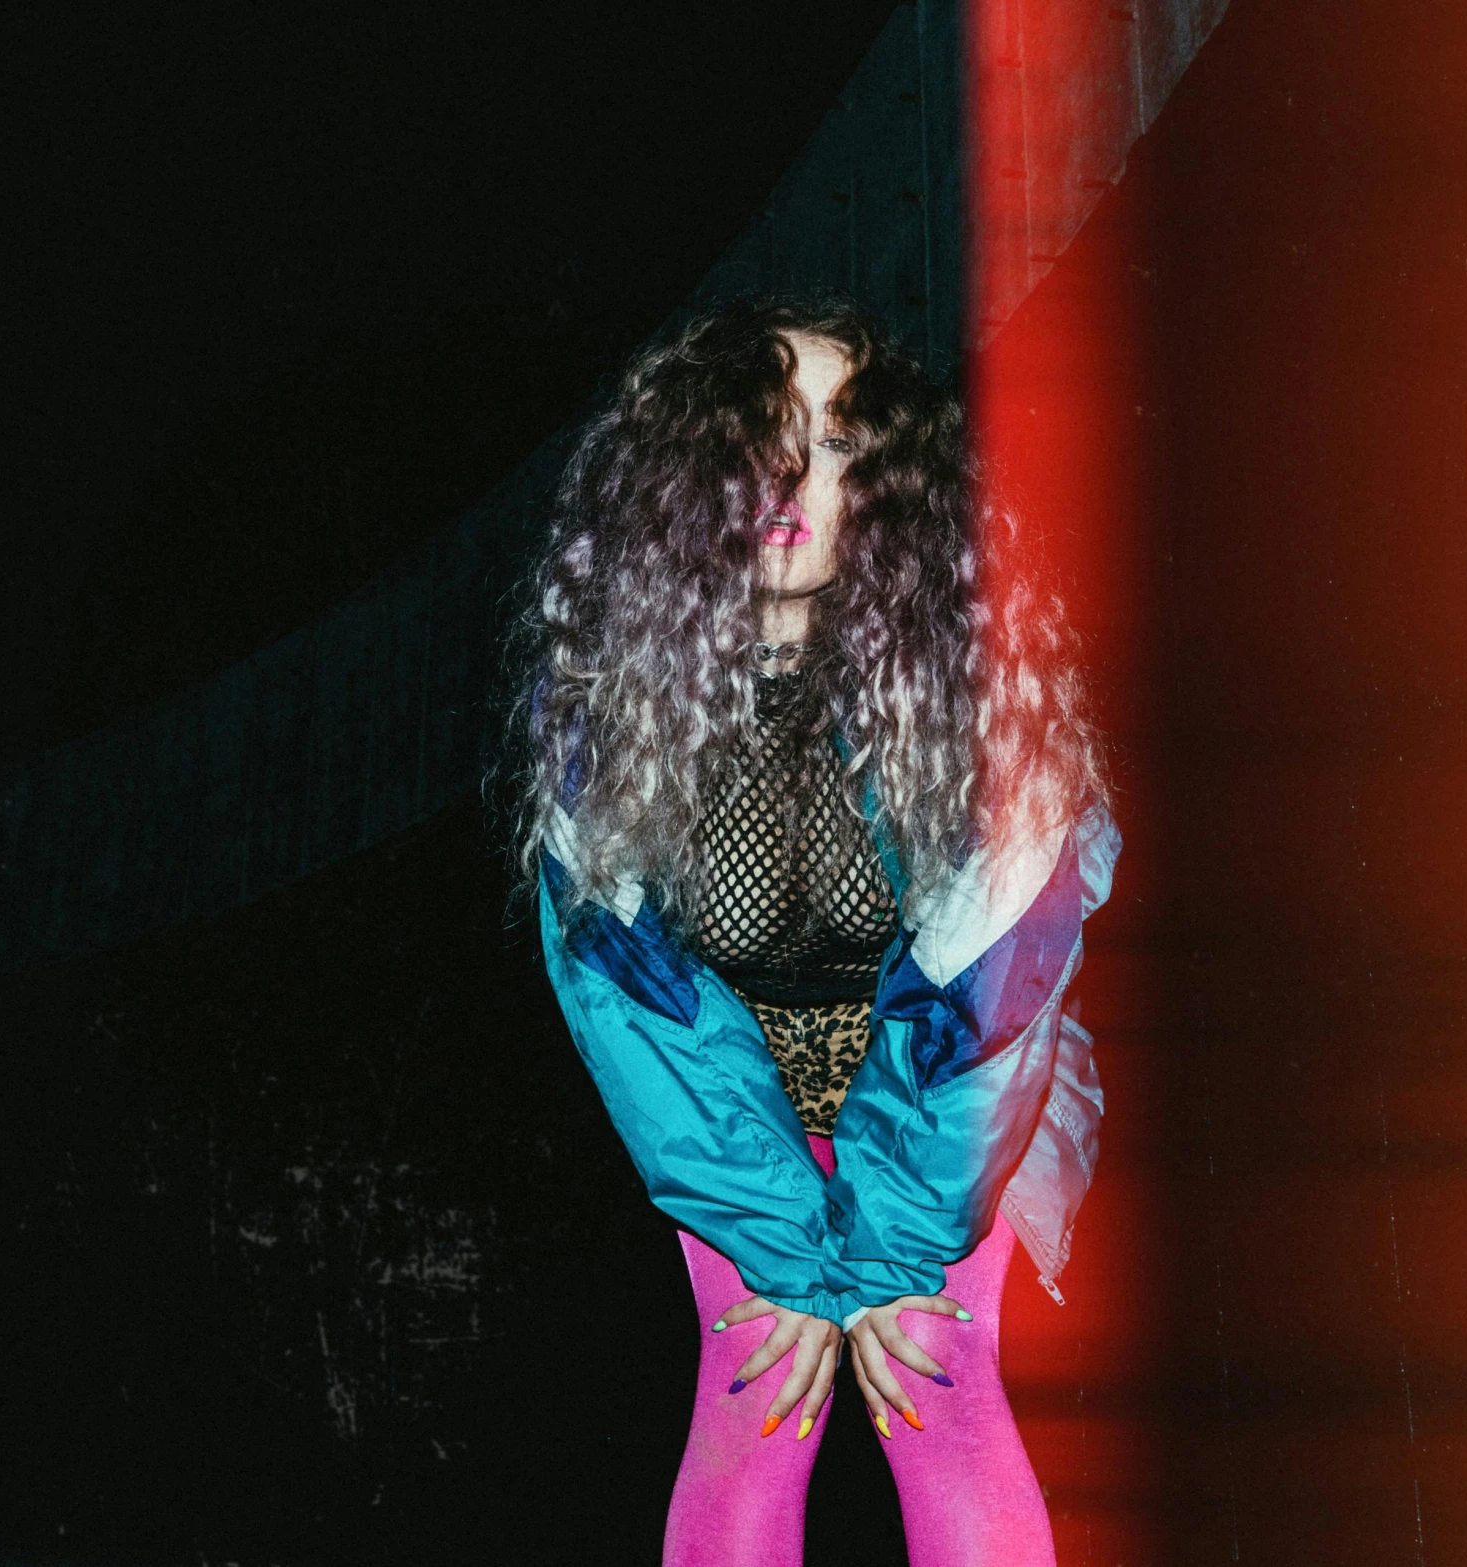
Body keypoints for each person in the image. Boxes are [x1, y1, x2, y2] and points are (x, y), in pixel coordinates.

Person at [513, 293, 1119, 1565]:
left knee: (935, 1384)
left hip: (956, 1123)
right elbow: (638, 1017)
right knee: (754, 1402)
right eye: (758, 435)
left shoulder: (975, 689)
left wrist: (894, 1253)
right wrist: (782, 1250)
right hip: (734, 1127)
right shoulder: (607, 716)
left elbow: (985, 1012)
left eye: (840, 442)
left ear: (888, 488)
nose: (796, 472)